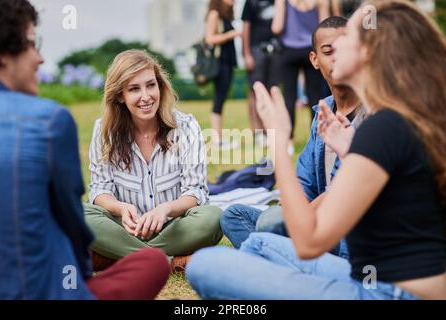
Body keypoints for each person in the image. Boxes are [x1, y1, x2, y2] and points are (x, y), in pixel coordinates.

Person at [187, 0, 446, 300]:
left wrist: (278, 143)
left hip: (388, 293)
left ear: (368, 54)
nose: (337, 44)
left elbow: (310, 242)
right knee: (259, 244)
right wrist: (350, 152)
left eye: (348, 36)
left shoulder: (382, 126)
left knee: (206, 265)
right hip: (379, 278)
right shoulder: (402, 118)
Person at [0, 0, 169, 300]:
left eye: (150, 85)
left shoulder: (184, 127)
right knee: (152, 263)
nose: (39, 58)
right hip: (43, 288)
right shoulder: (49, 121)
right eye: (31, 44)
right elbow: (74, 226)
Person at [221, 16, 364, 257]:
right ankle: (290, 262)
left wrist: (298, 218)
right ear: (315, 60)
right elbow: (304, 181)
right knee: (234, 215)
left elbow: (344, 193)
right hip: (313, 226)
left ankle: (279, 261)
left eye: (345, 49)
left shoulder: (373, 114)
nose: (337, 57)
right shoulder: (323, 110)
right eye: (328, 51)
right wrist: (295, 215)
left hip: (350, 232)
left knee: (271, 223)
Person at [84, 49, 223, 272]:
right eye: (134, 89)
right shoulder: (104, 131)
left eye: (151, 85)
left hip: (175, 227)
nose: (146, 96)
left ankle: (121, 254)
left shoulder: (186, 127)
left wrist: (165, 210)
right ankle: (166, 262)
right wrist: (120, 208)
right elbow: (99, 190)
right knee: (79, 215)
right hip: (125, 228)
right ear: (120, 95)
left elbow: (196, 192)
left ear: (160, 86)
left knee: (213, 218)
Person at [272, 0, 330, 153]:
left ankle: (289, 141)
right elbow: (325, 28)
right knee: (315, 97)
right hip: (311, 51)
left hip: (288, 51)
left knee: (289, 98)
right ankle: (318, 139)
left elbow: (276, 27)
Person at [241, 0, 281, 144]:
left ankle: (270, 130)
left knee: (273, 90)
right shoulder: (251, 2)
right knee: (254, 91)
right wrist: (246, 54)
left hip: (276, 49)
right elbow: (245, 27)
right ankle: (258, 132)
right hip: (256, 49)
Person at [205, 0, 242, 149]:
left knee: (221, 99)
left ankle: (218, 138)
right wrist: (231, 34)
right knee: (218, 99)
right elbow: (209, 38)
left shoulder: (226, 15)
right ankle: (217, 140)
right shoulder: (215, 14)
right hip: (219, 64)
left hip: (227, 63)